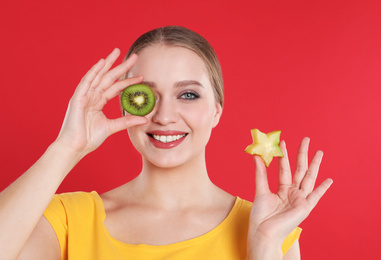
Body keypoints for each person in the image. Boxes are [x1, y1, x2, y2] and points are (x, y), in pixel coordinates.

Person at [0, 26, 333, 260]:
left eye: (187, 94)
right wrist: (67, 146)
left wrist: (264, 248)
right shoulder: (69, 219)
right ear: (125, 103)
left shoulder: (269, 226)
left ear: (216, 110)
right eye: (145, 95)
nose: (164, 115)